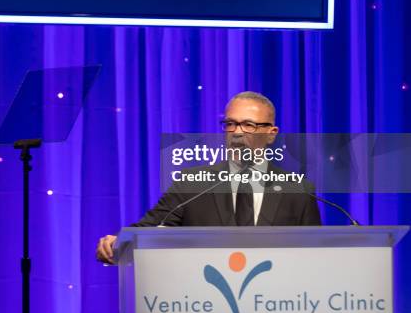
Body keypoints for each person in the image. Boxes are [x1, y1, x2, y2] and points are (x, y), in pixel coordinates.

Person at [96, 91, 321, 264]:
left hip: (275, 308)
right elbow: (150, 229)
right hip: (205, 307)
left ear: (271, 134)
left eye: (248, 125)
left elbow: (313, 255)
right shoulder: (192, 183)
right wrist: (117, 242)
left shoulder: (298, 190)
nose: (237, 132)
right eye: (230, 123)